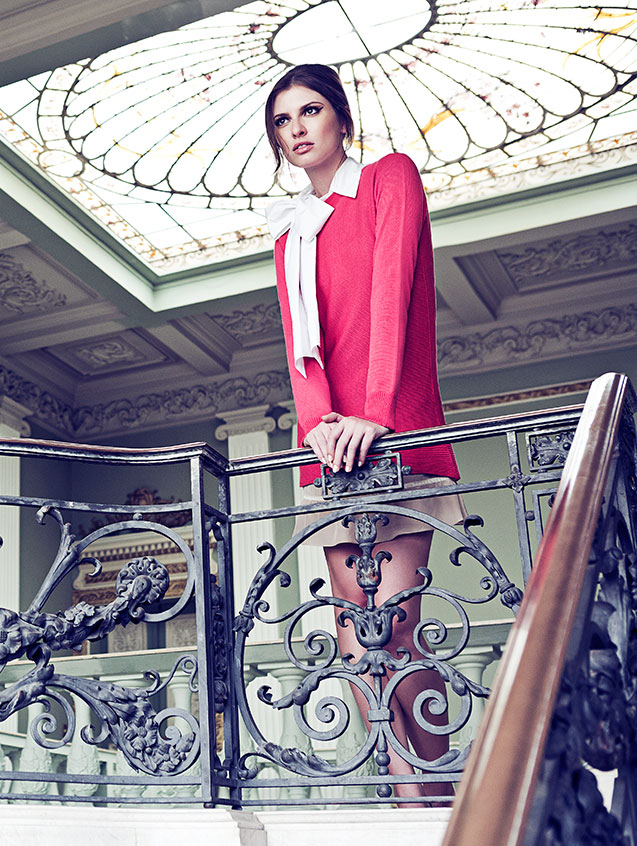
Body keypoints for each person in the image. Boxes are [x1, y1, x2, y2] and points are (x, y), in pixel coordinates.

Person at [263, 63, 465, 802]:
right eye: (282, 120)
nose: (297, 129)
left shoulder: (388, 178)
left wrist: (374, 413)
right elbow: (300, 351)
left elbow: (392, 300)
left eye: (310, 111)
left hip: (394, 435)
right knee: (354, 641)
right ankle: (406, 800)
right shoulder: (289, 232)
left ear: (341, 120)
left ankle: (440, 792)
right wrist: (316, 426)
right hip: (333, 456)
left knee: (397, 629)